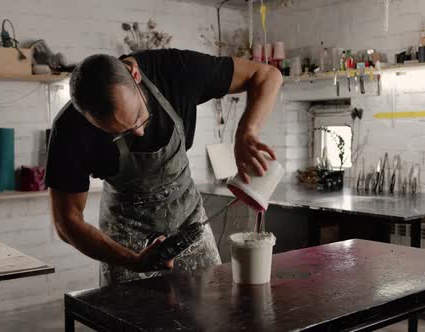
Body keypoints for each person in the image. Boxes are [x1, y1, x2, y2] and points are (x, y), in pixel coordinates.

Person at [46, 48, 282, 285]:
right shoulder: (69, 129)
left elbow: (267, 76)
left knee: (213, 312)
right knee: (130, 319)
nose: (138, 132)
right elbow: (67, 222)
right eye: (120, 133)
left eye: (139, 116)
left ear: (134, 74)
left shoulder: (175, 70)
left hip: (189, 226)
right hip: (125, 240)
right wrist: (134, 261)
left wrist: (247, 131)